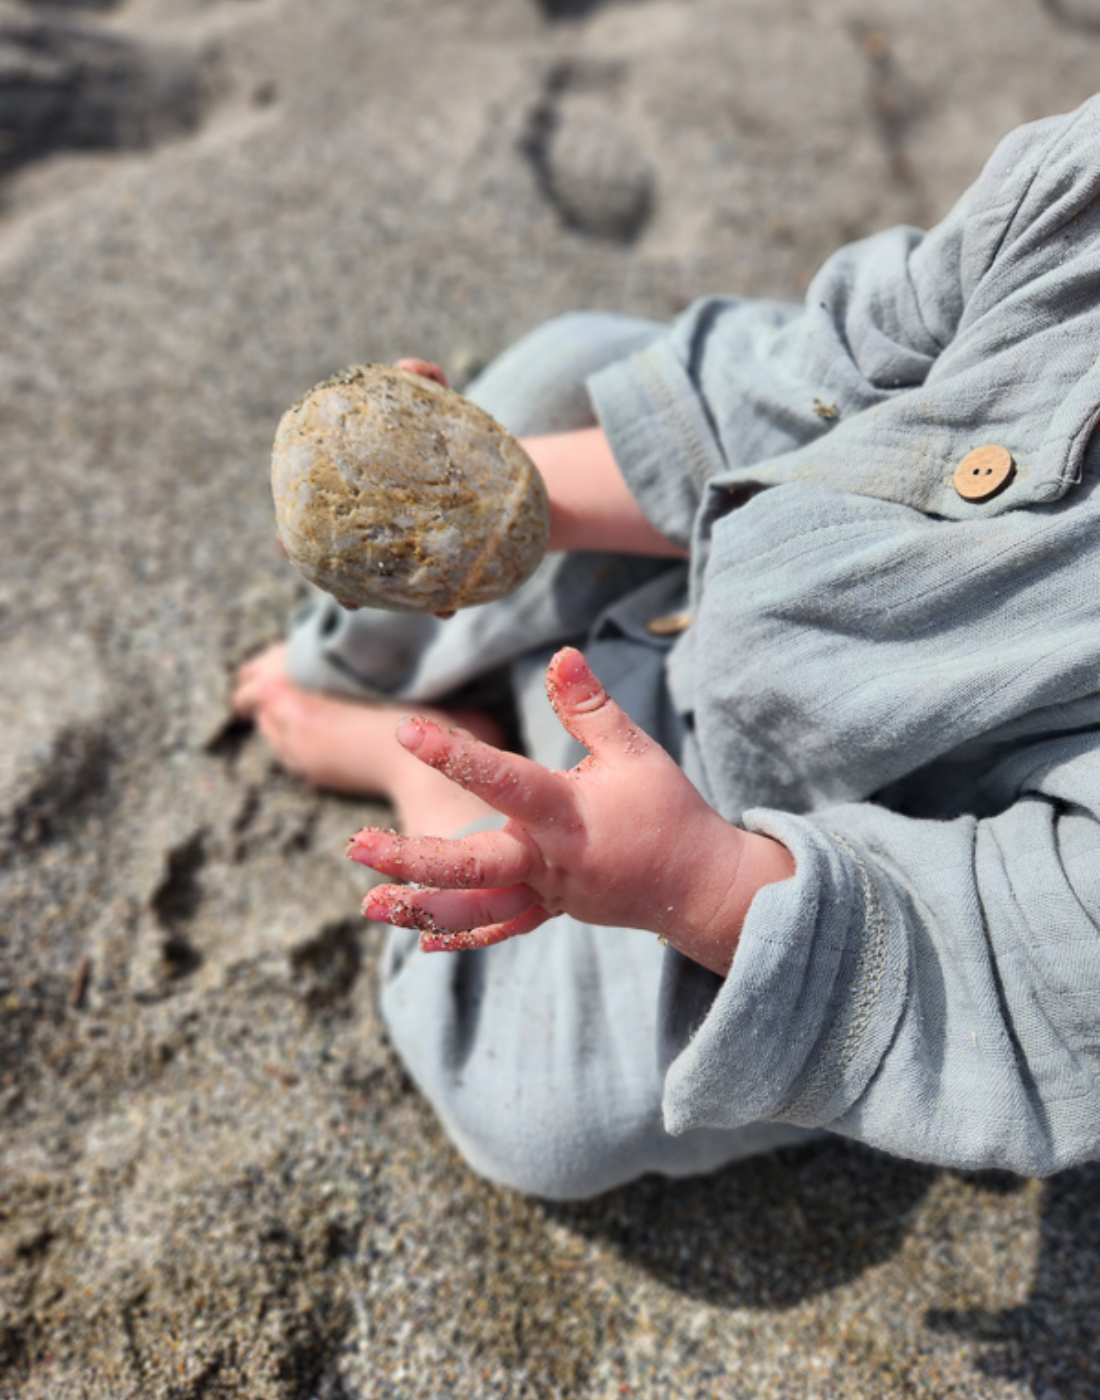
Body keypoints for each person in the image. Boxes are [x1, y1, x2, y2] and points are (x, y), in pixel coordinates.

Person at [233, 96, 1100, 1198]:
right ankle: (370, 640)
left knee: (540, 1103)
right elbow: (823, 371)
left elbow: (1024, 962)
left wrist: (689, 881)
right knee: (573, 361)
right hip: (722, 540)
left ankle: (417, 751)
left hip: (765, 845)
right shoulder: (1079, 195)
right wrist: (508, 499)